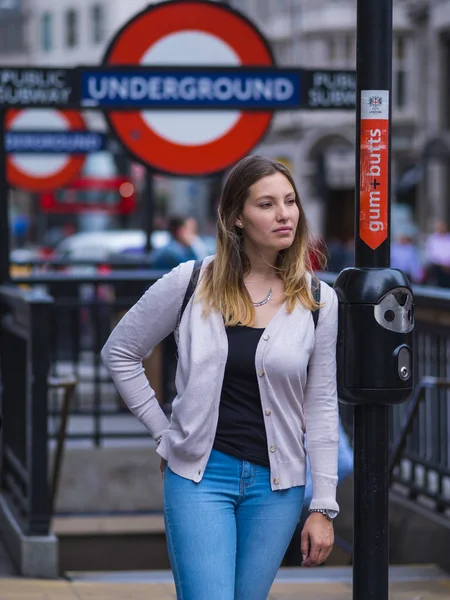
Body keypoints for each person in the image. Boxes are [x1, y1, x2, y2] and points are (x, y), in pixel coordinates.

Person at [101, 156, 340, 600]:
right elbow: (120, 352)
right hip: (200, 478)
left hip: (278, 488)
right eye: (266, 204)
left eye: (290, 201)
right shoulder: (191, 282)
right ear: (236, 216)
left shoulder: (319, 300)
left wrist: (323, 505)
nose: (284, 213)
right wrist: (163, 434)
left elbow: (321, 404)